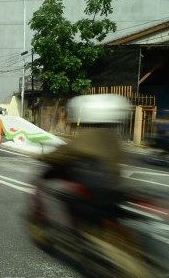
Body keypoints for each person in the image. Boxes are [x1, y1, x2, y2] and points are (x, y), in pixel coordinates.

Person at [36, 93, 130, 227]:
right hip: (114, 186)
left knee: (57, 191)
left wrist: (42, 157)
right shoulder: (112, 136)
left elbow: (65, 153)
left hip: (94, 188)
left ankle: (69, 229)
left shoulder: (88, 135)